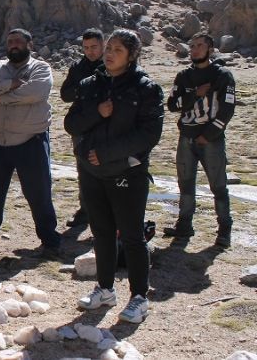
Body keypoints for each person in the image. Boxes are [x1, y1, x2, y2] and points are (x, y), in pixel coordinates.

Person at [65, 29, 164, 324]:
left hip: (126, 172)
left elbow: (149, 134)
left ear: (132, 55)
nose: (109, 54)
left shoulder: (146, 88)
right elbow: (72, 124)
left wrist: (107, 153)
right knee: (102, 233)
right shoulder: (90, 85)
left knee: (132, 236)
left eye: (117, 50)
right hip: (92, 171)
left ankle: (139, 297)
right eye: (108, 48)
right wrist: (98, 112)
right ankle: (105, 289)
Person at [0, 28, 62, 257]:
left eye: (18, 41)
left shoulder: (40, 68)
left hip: (30, 141)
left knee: (38, 193)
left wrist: (0, 97)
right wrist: (11, 84)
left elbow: (36, 92)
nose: (13, 45)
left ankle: (49, 239)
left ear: (29, 44)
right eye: (10, 41)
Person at [164, 32, 236, 248]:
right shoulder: (183, 76)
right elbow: (172, 105)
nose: (194, 49)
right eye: (192, 45)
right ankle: (184, 225)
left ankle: (224, 229)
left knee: (218, 186)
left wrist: (209, 135)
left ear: (210, 50)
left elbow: (227, 110)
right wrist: (195, 94)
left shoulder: (223, 75)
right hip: (186, 137)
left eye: (199, 46)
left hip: (211, 140)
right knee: (185, 185)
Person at [60, 28, 105, 227]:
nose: (90, 51)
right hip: (82, 125)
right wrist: (85, 90)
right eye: (86, 47)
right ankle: (85, 210)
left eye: (94, 47)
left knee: (107, 167)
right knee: (83, 169)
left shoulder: (111, 65)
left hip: (106, 125)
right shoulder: (78, 67)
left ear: (103, 45)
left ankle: (106, 211)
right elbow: (65, 94)